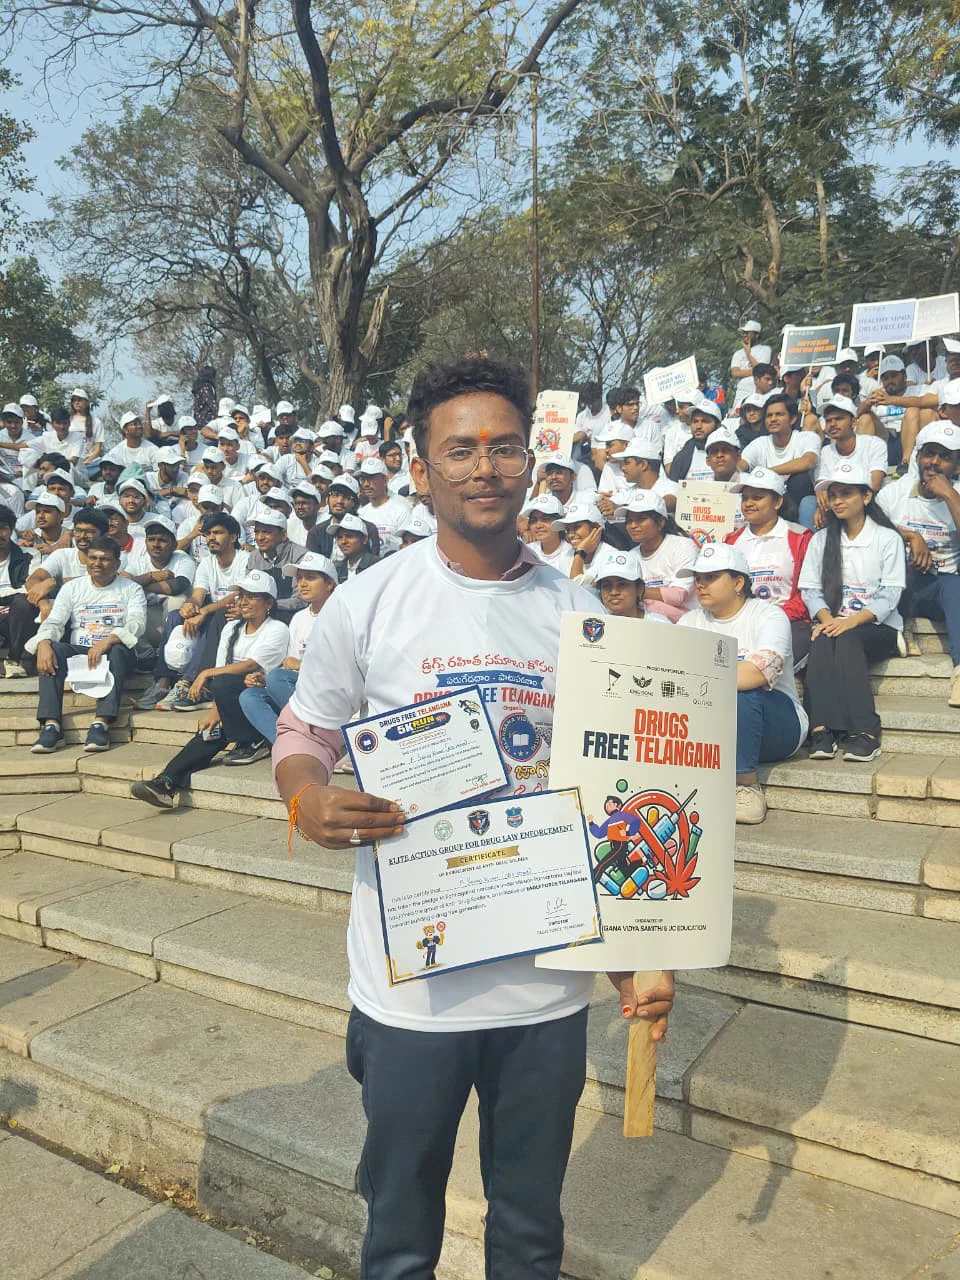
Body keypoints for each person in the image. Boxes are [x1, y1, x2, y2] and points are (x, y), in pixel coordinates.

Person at [272, 355, 673, 1280]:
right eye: (460, 450)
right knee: (399, 1227)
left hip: (545, 992)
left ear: (532, 463)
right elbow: (305, 731)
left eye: (505, 447)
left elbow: (614, 798)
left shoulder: (579, 613)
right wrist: (306, 797)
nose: (484, 467)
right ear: (421, 470)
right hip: (411, 990)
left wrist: (639, 949)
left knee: (529, 1230)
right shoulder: (368, 604)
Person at [132, 571, 289, 804]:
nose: (244, 602)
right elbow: (221, 671)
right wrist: (216, 709)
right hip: (234, 706)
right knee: (211, 731)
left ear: (268, 603)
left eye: (252, 596)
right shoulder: (231, 628)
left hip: (260, 703)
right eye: (241, 596)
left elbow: (250, 666)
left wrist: (205, 673)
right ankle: (166, 782)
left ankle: (253, 741)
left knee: (225, 682)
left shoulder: (277, 629)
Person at [678, 543, 807, 824]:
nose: (701, 584)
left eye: (711, 577)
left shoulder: (768, 615)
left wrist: (697, 679)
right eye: (698, 578)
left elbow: (756, 674)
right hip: (713, 724)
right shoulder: (689, 621)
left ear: (738, 583)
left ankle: (746, 786)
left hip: (777, 725)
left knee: (740, 689)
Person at [799, 461, 906, 762]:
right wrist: (827, 619)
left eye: (846, 494)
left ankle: (865, 731)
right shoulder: (821, 539)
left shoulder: (887, 538)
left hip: (878, 626)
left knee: (845, 639)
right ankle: (821, 730)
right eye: (833, 495)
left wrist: (849, 623)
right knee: (822, 640)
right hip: (835, 622)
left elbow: (890, 594)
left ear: (866, 497)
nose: (837, 501)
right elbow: (810, 590)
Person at [30, 536, 146, 754]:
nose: (97, 563)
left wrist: (108, 640)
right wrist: (43, 643)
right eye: (93, 558)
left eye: (104, 559)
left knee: (118, 649)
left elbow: (137, 623)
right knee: (51, 650)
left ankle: (101, 723)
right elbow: (55, 621)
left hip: (116, 651)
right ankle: (51, 725)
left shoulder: (131, 589)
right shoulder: (72, 588)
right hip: (81, 651)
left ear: (117, 564)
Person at [877, 420, 960, 706]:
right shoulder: (894, 492)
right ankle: (898, 626)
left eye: (945, 457)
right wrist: (911, 536)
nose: (934, 462)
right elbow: (869, 530)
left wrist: (949, 495)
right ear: (918, 457)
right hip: (901, 586)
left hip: (943, 589)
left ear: (957, 466)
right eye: (929, 453)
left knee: (955, 586)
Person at [154, 512, 251, 712]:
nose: (211, 538)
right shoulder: (207, 562)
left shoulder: (245, 560)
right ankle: (163, 681)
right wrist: (190, 606)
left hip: (236, 615)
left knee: (215, 617)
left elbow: (237, 596)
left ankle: (187, 683)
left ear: (233, 537)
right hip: (215, 612)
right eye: (207, 534)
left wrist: (205, 610)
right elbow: (198, 593)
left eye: (217, 533)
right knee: (175, 616)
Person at [239, 553, 337, 745]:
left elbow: (344, 668)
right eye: (299, 578)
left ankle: (321, 738)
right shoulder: (299, 618)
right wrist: (265, 679)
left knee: (277, 677)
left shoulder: (341, 614)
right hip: (304, 688)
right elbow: (289, 666)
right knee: (250, 695)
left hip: (330, 690)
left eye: (310, 578)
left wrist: (300, 665)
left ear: (329, 583)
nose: (302, 584)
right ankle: (288, 745)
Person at [726, 467, 813, 664]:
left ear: (778, 502)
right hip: (741, 622)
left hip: (788, 621)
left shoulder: (800, 537)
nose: (748, 503)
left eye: (757, 498)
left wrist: (772, 616)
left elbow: (808, 592)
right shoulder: (731, 541)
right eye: (745, 498)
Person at [801, 395, 887, 529]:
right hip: (835, 502)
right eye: (828, 420)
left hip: (866, 500)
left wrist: (842, 498)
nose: (832, 424)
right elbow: (822, 489)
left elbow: (874, 485)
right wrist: (823, 504)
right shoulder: (825, 451)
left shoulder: (874, 444)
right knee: (808, 504)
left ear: (853, 423)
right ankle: (813, 541)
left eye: (839, 419)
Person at [619, 492, 697, 621]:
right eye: (629, 521)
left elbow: (678, 596)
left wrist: (636, 592)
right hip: (649, 623)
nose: (633, 526)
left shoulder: (683, 545)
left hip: (687, 622)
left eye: (641, 519)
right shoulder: (631, 556)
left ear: (660, 522)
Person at [741, 393, 820, 519]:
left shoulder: (807, 437)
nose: (773, 419)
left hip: (797, 502)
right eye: (769, 415)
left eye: (779, 414)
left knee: (800, 479)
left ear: (792, 419)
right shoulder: (759, 443)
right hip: (769, 504)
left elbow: (809, 461)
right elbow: (742, 464)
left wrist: (767, 472)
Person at [0, 504, 33, 673]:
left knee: (22, 602)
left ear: (12, 530)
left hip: (16, 619)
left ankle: (14, 660)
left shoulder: (28, 555)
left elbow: (30, 589)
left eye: (3, 528)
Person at [593, 551, 670, 622]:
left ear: (639, 589)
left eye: (622, 584)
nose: (614, 592)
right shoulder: (597, 625)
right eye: (606, 586)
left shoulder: (659, 624)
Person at [667, 400, 723, 481]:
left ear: (718, 425)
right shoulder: (684, 455)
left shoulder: (729, 452)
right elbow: (673, 484)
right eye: (695, 421)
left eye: (705, 421)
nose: (698, 426)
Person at [520, 494, 575, 574]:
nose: (538, 526)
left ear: (559, 521)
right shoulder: (527, 551)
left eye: (546, 519)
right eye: (533, 521)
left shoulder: (571, 553)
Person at [335, 513, 379, 580]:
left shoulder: (378, 565)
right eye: (340, 537)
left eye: (349, 536)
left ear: (364, 539)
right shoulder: (337, 570)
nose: (343, 541)